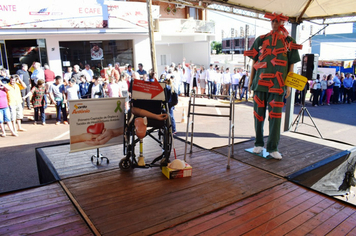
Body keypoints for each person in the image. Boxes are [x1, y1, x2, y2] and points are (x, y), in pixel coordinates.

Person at [246, 12, 301, 160]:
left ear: (282, 22)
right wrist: (251, 81)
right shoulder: (261, 39)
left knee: (275, 117)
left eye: (277, 21)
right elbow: (254, 62)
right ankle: (258, 143)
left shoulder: (289, 41)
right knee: (258, 115)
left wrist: (288, 86)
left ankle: (272, 147)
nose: (274, 24)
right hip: (260, 83)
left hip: (278, 85)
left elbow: (291, 64)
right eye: (273, 21)